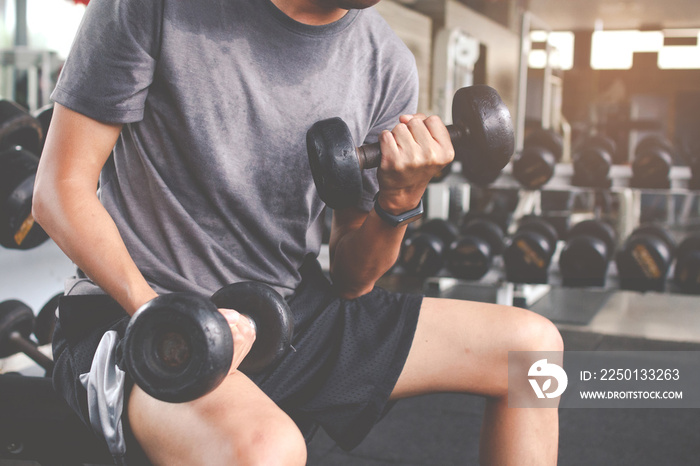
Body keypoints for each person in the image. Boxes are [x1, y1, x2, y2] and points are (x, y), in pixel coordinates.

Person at [34, 0, 563, 464]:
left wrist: (401, 198)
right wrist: (168, 320)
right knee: (269, 451)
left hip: (282, 314)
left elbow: (354, 279)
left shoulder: (385, 62)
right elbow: (58, 191)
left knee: (532, 351)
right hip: (139, 316)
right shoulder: (157, 7)